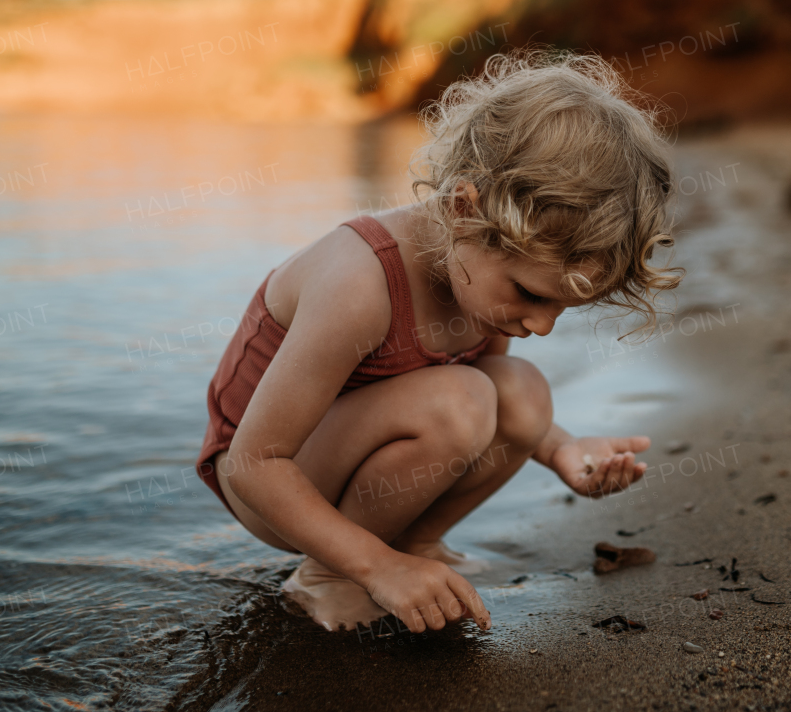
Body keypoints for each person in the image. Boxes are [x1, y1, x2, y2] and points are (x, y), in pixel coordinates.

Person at [195, 51, 682, 634]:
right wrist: (374, 567)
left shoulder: (478, 277)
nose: (543, 325)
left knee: (520, 388)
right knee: (463, 400)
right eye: (530, 293)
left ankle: (418, 545)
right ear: (462, 209)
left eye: (562, 307)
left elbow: (498, 396)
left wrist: (562, 450)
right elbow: (254, 463)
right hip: (268, 481)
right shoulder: (360, 281)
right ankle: (330, 574)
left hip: (345, 456)